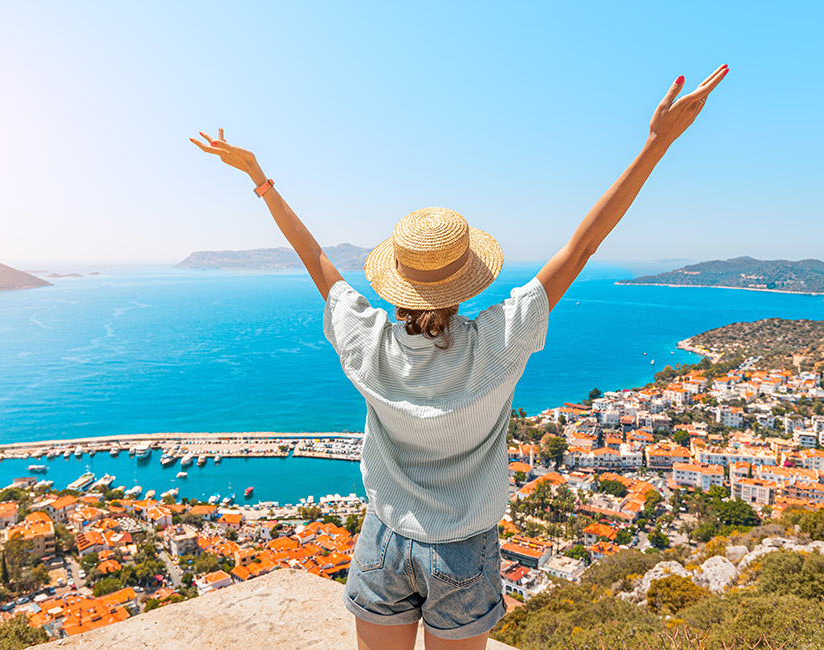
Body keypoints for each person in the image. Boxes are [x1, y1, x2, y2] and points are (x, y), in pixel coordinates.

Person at [190, 64, 728, 650]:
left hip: (384, 538)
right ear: (466, 281)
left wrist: (261, 179)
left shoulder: (365, 340)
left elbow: (315, 258)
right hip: (465, 545)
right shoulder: (498, 341)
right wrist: (656, 144)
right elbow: (583, 246)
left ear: (396, 283)